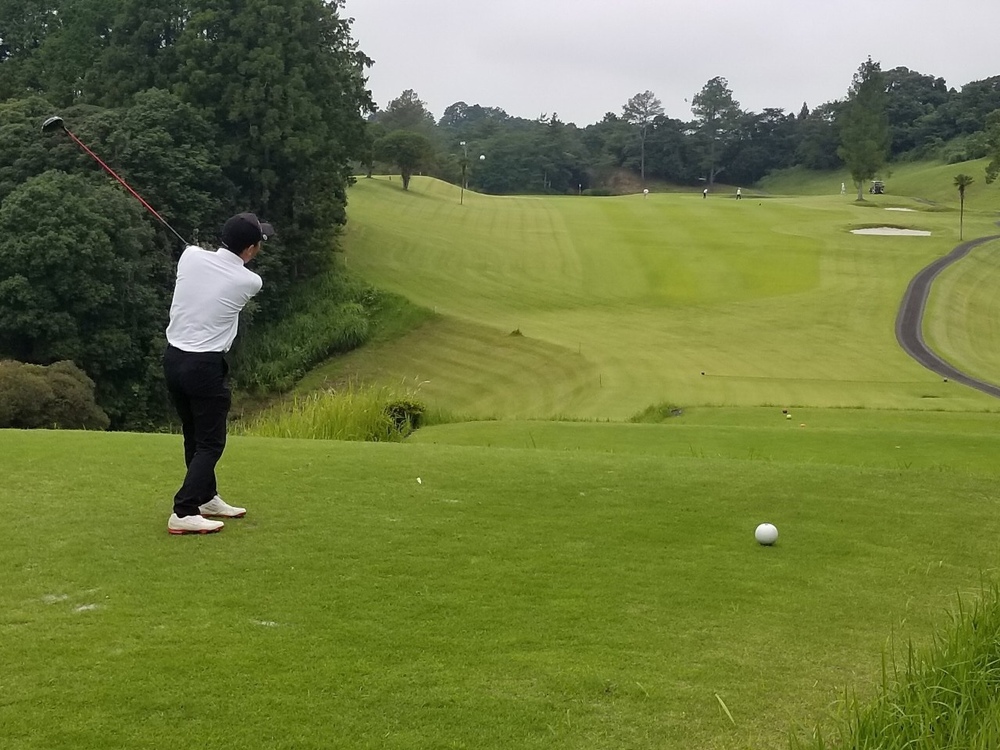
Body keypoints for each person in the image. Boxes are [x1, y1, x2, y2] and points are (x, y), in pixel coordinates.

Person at [162, 212, 274, 535]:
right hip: (203, 366)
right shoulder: (250, 281)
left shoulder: (190, 257)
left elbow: (196, 253)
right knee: (211, 443)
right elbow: (228, 271)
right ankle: (184, 510)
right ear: (250, 249)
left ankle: (206, 497)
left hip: (173, 360)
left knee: (194, 435)